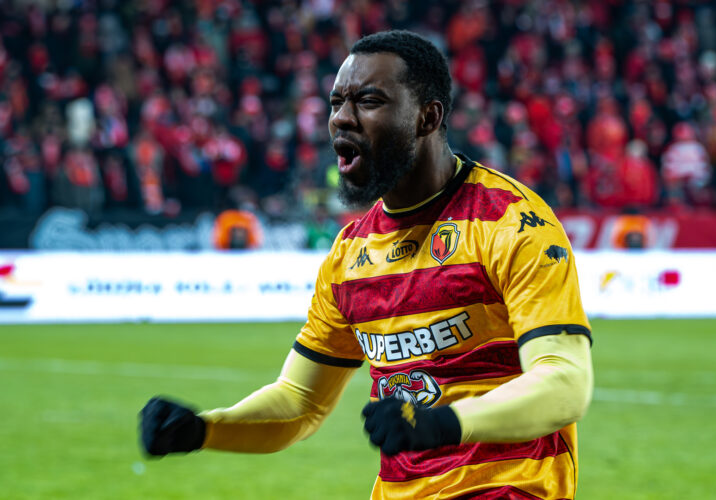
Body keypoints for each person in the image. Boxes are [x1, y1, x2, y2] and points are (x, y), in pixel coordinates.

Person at [139, 30, 593, 499]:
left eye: (368, 101)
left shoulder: (511, 222)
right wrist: (204, 428)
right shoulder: (350, 256)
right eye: (337, 103)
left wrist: (442, 424)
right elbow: (300, 400)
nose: (341, 118)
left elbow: (564, 382)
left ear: (428, 116)